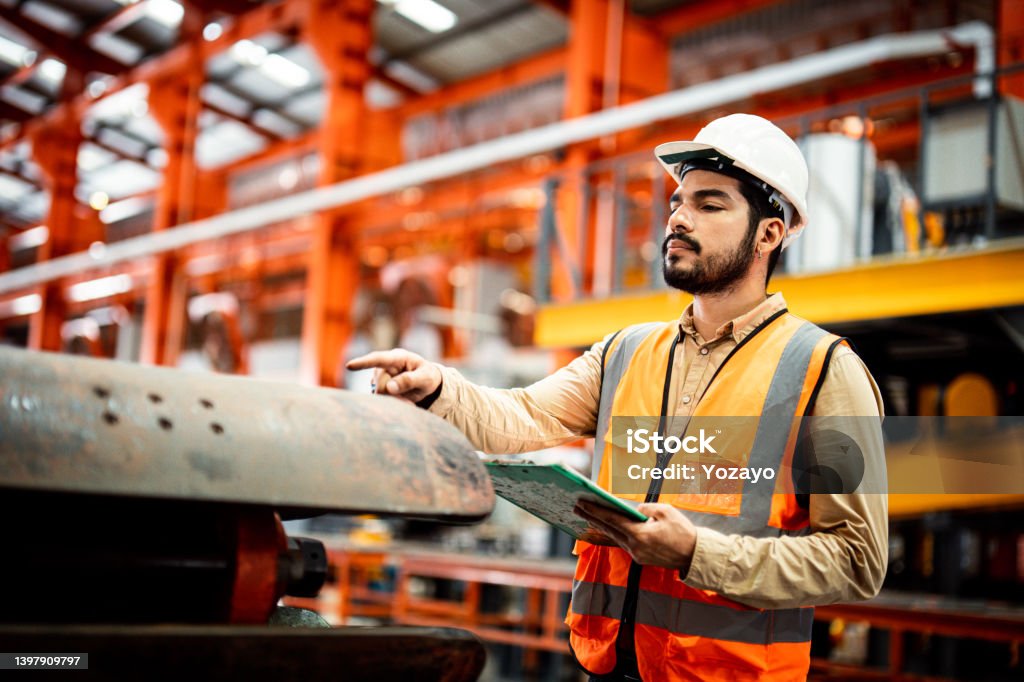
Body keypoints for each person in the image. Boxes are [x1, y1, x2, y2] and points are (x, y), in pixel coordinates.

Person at [348, 113, 888, 681]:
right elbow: (522, 417)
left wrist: (694, 552)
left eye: (710, 205)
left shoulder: (825, 370)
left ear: (768, 233)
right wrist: (439, 388)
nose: (678, 218)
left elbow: (856, 559)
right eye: (678, 202)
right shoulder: (626, 352)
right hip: (607, 668)